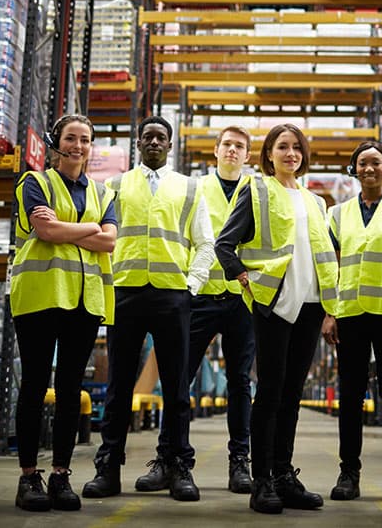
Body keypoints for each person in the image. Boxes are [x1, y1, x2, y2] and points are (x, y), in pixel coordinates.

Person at [82, 115, 214, 502]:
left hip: (173, 296)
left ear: (169, 145)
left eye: (161, 137)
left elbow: (204, 243)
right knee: (119, 386)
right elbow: (100, 236)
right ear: (138, 143)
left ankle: (179, 468)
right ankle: (108, 469)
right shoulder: (116, 186)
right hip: (126, 294)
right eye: (147, 137)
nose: (154, 142)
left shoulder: (188, 189)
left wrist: (192, 286)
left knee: (176, 388)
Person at [216, 123, 338, 515]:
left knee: (291, 394)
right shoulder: (257, 189)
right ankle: (262, 480)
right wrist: (242, 275)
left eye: (296, 147)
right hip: (273, 303)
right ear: (269, 154)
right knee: (269, 392)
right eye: (282, 147)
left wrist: (331, 307)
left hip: (311, 305)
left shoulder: (316, 201)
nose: (290, 153)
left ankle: (285, 475)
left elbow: (324, 255)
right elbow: (224, 243)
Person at [10, 114, 117, 512]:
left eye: (85, 140)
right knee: (36, 384)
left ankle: (60, 474)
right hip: (39, 296)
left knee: (71, 389)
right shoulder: (34, 183)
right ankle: (27, 477)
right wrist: (90, 229)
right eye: (71, 138)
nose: (78, 146)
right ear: (57, 142)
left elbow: (109, 243)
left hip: (85, 301)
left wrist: (73, 228)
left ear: (91, 146)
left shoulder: (105, 193)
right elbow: (46, 233)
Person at [151, 126, 256, 493]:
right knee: (179, 379)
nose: (232, 150)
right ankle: (168, 459)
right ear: (215, 150)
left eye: (239, 146)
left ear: (248, 156)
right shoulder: (194, 188)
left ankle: (240, 462)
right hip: (199, 297)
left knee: (240, 383)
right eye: (227, 144)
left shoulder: (257, 191)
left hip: (244, 299)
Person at [322, 141, 382, 503]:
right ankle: (349, 472)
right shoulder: (338, 214)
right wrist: (330, 312)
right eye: (362, 163)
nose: (369, 169)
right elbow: (330, 264)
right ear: (354, 170)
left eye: (375, 162)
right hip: (351, 315)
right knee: (351, 396)